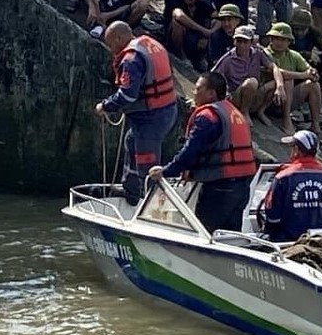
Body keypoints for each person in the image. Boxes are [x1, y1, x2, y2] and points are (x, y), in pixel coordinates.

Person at [149, 72, 257, 232]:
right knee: (230, 236)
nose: (194, 92)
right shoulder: (233, 112)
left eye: (198, 88)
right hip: (242, 185)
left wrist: (166, 171)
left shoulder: (208, 116)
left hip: (221, 187)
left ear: (211, 93)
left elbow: (190, 151)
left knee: (203, 232)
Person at [97, 23, 180, 205]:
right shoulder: (148, 42)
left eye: (111, 45)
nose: (111, 50)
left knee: (147, 163)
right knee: (131, 141)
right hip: (167, 109)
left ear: (119, 38)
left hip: (151, 117)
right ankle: (131, 189)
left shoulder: (131, 60)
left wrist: (105, 106)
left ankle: (152, 203)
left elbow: (127, 95)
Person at [261, 130, 322, 242]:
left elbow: (272, 217)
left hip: (289, 244)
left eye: (292, 148)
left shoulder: (283, 177)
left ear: (296, 150)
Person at [263, 22, 322, 133]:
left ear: (289, 42)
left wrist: (313, 73)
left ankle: (315, 124)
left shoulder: (293, 55)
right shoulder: (265, 54)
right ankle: (286, 120)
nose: (279, 43)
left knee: (313, 85)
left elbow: (308, 69)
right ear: (271, 39)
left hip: (287, 99)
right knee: (288, 81)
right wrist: (303, 75)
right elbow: (278, 72)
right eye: (277, 38)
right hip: (268, 99)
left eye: (283, 40)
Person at [212, 25, 275, 119]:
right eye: (239, 41)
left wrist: (280, 87)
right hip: (236, 96)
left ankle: (261, 111)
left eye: (245, 42)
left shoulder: (258, 53)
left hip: (254, 95)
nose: (241, 45)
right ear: (234, 41)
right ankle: (244, 113)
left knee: (276, 83)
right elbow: (214, 76)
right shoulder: (228, 59)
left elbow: (273, 67)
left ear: (251, 42)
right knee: (252, 82)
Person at [168, 0, 219, 69]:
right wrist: (203, 30)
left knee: (213, 22)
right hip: (177, 39)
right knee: (177, 24)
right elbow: (179, 15)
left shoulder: (202, 5)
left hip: (196, 41)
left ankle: (201, 59)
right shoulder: (176, 2)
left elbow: (219, 17)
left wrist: (209, 34)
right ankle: (181, 56)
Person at [289, 8, 322, 90]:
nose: (299, 32)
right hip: (291, 63)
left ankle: (320, 89)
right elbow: (286, 52)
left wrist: (317, 34)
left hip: (307, 63)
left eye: (303, 29)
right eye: (297, 29)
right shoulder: (288, 33)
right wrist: (307, 54)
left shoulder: (313, 33)